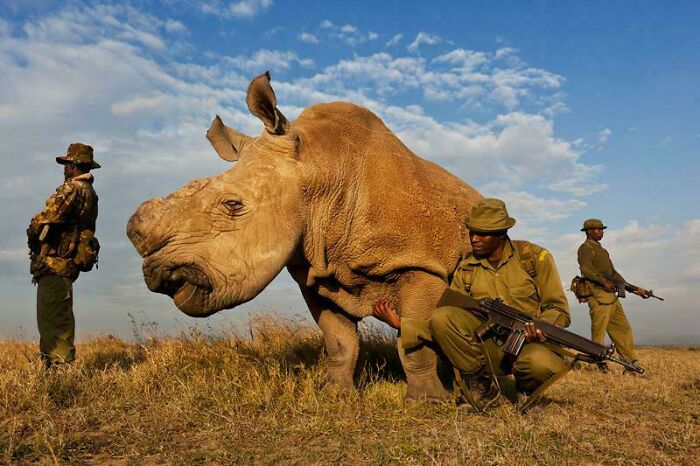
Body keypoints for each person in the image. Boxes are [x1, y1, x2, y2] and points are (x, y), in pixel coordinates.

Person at [374, 198, 571, 410]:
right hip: (490, 348)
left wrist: (541, 327)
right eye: (471, 232)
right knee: (443, 316)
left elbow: (559, 309)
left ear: (501, 233)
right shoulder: (467, 268)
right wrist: (401, 324)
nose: (473, 239)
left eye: (482, 233)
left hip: (531, 345)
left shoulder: (533, 259)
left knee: (538, 363)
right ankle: (482, 390)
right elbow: (443, 324)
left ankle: (526, 389)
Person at [27, 143, 100, 367]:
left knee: (53, 322)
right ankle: (56, 368)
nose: (64, 169)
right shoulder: (90, 193)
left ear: (76, 165)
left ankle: (59, 374)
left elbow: (45, 220)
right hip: (65, 264)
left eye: (68, 164)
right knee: (58, 318)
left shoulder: (72, 189)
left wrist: (32, 232)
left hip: (55, 264)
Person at [577, 219, 650, 373]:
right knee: (599, 332)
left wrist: (635, 289)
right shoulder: (585, 248)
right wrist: (603, 282)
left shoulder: (602, 250)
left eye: (602, 229)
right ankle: (599, 364)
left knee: (623, 329)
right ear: (588, 231)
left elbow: (614, 274)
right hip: (598, 296)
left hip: (611, 297)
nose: (601, 232)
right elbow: (586, 270)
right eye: (597, 229)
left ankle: (630, 364)